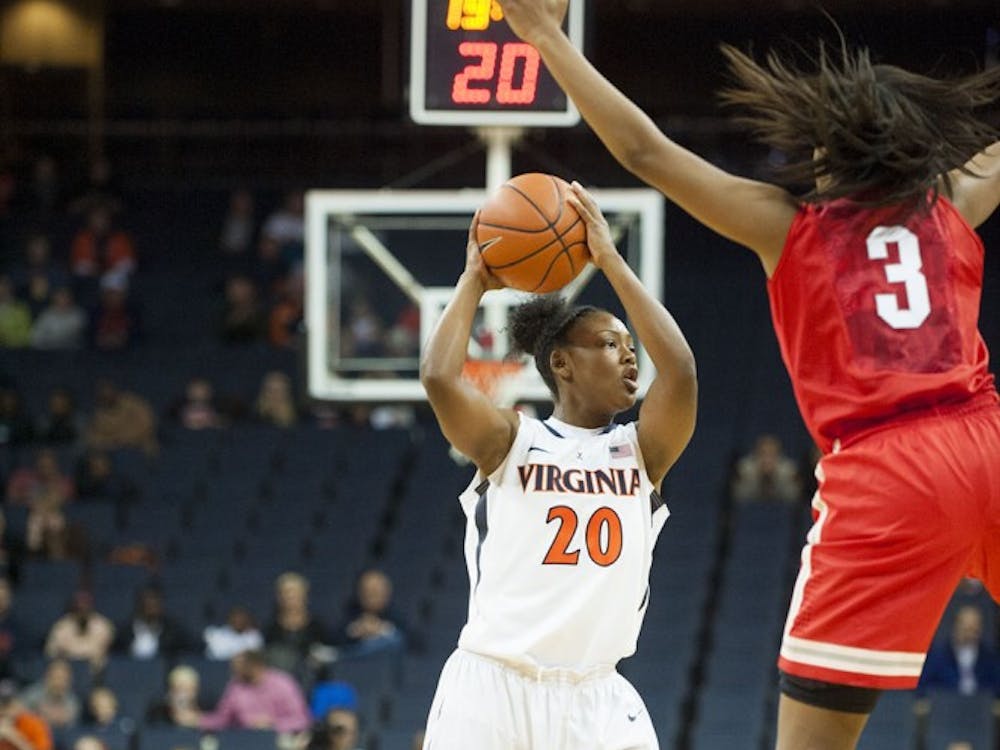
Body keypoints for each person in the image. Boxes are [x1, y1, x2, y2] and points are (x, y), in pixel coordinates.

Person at [499, 3, 1000, 747]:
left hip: (888, 470)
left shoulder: (789, 227)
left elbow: (645, 152)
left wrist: (543, 36)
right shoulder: (951, 202)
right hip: (986, 441)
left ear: (830, 157)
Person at [418, 187, 697, 749]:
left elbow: (681, 371)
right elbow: (440, 379)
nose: (629, 354)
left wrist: (610, 261)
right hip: (493, 686)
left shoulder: (643, 453)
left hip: (596, 695)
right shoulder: (511, 440)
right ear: (562, 364)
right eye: (609, 342)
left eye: (629, 344)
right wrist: (475, 279)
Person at [174, 649, 311, 734]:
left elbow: (302, 720)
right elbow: (222, 719)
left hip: (279, 740)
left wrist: (273, 724)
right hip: (245, 741)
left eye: (238, 667)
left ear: (255, 666)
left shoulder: (283, 683)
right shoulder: (235, 687)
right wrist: (198, 720)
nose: (234, 671)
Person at [919, 605, 1000, 696]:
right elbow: (924, 685)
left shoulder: (989, 658)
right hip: (945, 705)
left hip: (982, 706)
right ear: (955, 626)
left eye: (974, 629)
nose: (970, 634)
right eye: (966, 629)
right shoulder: (938, 656)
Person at [333, 570, 406, 659]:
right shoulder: (349, 616)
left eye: (377, 592)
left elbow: (416, 647)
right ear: (360, 593)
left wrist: (383, 630)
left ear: (387, 593)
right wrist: (355, 631)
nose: (372, 597)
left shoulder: (397, 617)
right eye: (368, 592)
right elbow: (334, 644)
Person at [44, 591, 115, 668]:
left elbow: (103, 652)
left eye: (86, 606)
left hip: (94, 672)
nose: (83, 610)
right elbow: (50, 652)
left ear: (91, 606)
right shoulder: (61, 627)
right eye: (80, 607)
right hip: (67, 671)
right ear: (74, 607)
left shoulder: (103, 626)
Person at [731, 434, 802, 504]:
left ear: (779, 455)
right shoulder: (745, 468)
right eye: (763, 453)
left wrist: (775, 476)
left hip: (781, 511)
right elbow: (738, 496)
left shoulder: (788, 469)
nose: (767, 459)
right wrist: (758, 476)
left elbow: (794, 497)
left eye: (772, 454)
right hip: (751, 511)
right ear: (756, 453)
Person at [19, 659, 80, 730]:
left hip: (62, 735)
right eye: (56, 677)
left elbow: (71, 723)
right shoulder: (33, 693)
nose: (59, 682)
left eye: (64, 679)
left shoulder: (72, 700)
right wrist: (38, 715)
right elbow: (19, 711)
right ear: (47, 677)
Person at [0, 679, 52, 750]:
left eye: (8, 704)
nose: (5, 710)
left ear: (19, 704)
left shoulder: (34, 724)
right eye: (2, 705)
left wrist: (14, 737)